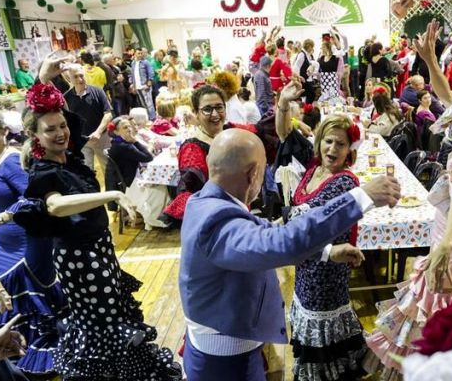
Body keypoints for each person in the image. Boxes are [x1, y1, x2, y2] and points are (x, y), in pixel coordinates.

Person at [179, 127, 400, 380]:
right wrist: (360, 198)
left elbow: (264, 235)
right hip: (225, 363)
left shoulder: (207, 202)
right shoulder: (216, 220)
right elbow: (279, 242)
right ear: (254, 174)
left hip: (228, 350)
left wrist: (326, 252)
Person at [14, 73, 182, 380]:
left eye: (62, 125)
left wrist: (46, 79)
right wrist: (113, 194)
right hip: (80, 261)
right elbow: (54, 206)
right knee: (101, 325)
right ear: (35, 136)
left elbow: (67, 111)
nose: (61, 132)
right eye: (50, 130)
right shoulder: (43, 169)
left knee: (112, 316)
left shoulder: (71, 159)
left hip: (101, 252)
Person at [365, 20, 452, 379]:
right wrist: (429, 59)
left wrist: (444, 244)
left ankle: (432, 368)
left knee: (430, 305)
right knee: (447, 304)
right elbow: (448, 98)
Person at [275, 80, 370, 379]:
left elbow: (316, 232)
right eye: (328, 140)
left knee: (327, 346)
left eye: (340, 144)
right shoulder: (313, 168)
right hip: (306, 266)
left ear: (349, 150)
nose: (332, 148)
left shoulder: (344, 183)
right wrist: (282, 103)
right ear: (319, 141)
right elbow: (284, 134)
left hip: (325, 273)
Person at [0, 108, 65, 375]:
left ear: (3, 130)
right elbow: (2, 196)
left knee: (30, 300)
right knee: (3, 296)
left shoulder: (12, 160)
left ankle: (47, 357)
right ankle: (17, 349)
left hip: (28, 243)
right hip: (3, 243)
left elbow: (35, 199)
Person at [162, 85, 225, 225]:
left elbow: (265, 131)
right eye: (207, 109)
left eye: (219, 107)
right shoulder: (192, 148)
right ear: (196, 113)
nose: (215, 114)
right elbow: (189, 192)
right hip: (212, 219)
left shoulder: (231, 130)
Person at [63, 63, 113, 174]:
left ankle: (115, 190)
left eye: (81, 75)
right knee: (86, 171)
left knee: (109, 169)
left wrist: (98, 132)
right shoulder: (66, 97)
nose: (80, 79)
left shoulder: (98, 91)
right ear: (69, 78)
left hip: (102, 138)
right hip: (82, 141)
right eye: (75, 76)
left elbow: (108, 114)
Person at [105, 115, 154, 189]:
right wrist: (135, 141)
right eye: (125, 128)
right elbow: (149, 157)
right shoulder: (124, 146)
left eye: (129, 126)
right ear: (116, 132)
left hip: (127, 178)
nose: (129, 129)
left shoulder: (116, 142)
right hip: (131, 183)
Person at [131, 49, 156, 120]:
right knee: (142, 104)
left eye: (141, 53)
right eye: (138, 53)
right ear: (135, 54)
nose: (140, 55)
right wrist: (132, 84)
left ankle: (152, 119)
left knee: (149, 104)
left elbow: (151, 72)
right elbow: (132, 74)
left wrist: (149, 81)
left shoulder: (146, 62)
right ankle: (147, 118)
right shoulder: (133, 63)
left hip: (145, 86)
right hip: (137, 87)